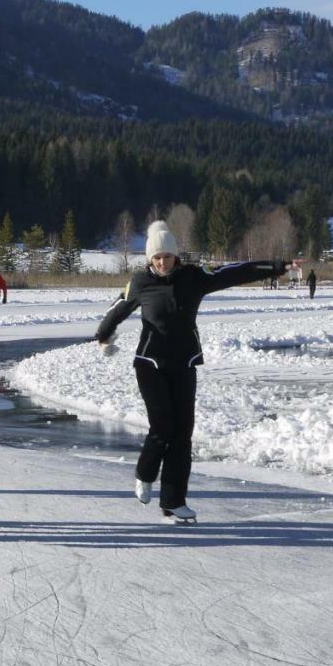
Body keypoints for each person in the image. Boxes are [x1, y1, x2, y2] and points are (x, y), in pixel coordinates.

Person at [95, 221, 285, 524]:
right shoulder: (141, 282)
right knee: (162, 426)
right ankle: (145, 474)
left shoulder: (193, 278)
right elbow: (118, 308)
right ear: (149, 259)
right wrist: (103, 334)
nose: (162, 263)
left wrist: (275, 266)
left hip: (184, 362)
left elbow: (233, 273)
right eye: (156, 258)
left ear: (175, 255)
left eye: (167, 256)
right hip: (150, 364)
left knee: (183, 434)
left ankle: (174, 501)